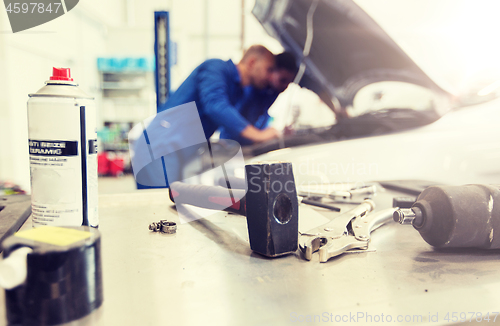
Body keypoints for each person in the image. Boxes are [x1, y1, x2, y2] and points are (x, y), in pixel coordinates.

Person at [157, 45, 280, 143]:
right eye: (268, 69)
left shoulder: (238, 91)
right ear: (252, 62)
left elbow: (231, 128)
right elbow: (216, 106)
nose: (270, 78)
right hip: (162, 143)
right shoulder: (216, 68)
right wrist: (259, 135)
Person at [218, 52, 298, 146]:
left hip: (250, 144)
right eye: (282, 80)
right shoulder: (251, 88)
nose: (286, 86)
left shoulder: (273, 91)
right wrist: (261, 136)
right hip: (232, 146)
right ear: (271, 71)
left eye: (289, 82)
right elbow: (232, 123)